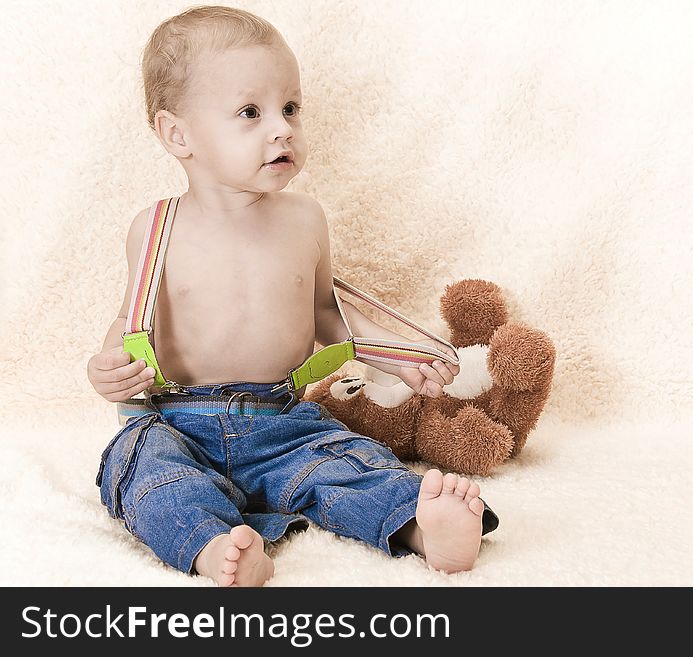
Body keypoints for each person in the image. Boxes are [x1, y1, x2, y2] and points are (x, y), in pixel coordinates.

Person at [87, 5, 497, 587]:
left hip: (284, 420)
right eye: (250, 113)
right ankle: (215, 551)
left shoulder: (305, 220)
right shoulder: (155, 228)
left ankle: (421, 528)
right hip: (178, 420)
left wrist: (394, 356)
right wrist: (106, 370)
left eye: (291, 108)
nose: (281, 128)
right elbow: (130, 324)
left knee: (349, 463)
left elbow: (327, 319)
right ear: (177, 134)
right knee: (142, 471)